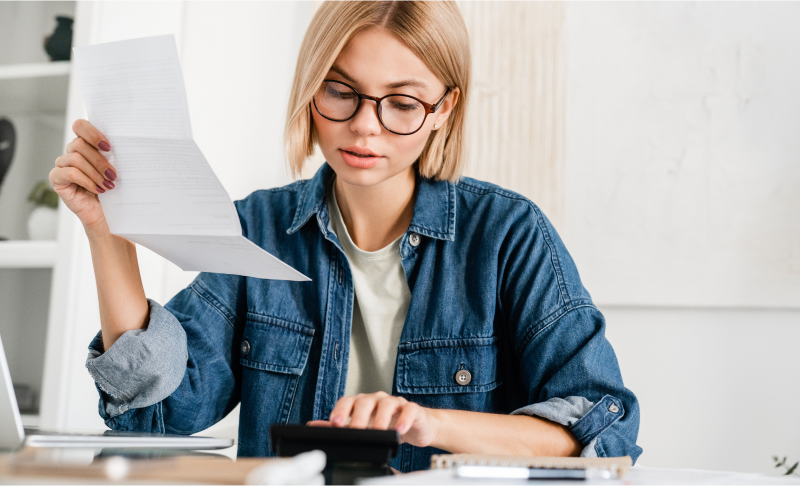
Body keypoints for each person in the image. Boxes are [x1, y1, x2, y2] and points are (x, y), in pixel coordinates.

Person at [49, 0, 641, 472]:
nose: (364, 124)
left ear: (444, 109)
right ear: (311, 88)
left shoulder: (508, 235)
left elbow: (601, 428)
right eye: (341, 91)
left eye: (403, 103)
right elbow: (157, 412)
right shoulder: (258, 230)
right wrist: (109, 233)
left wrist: (431, 425)